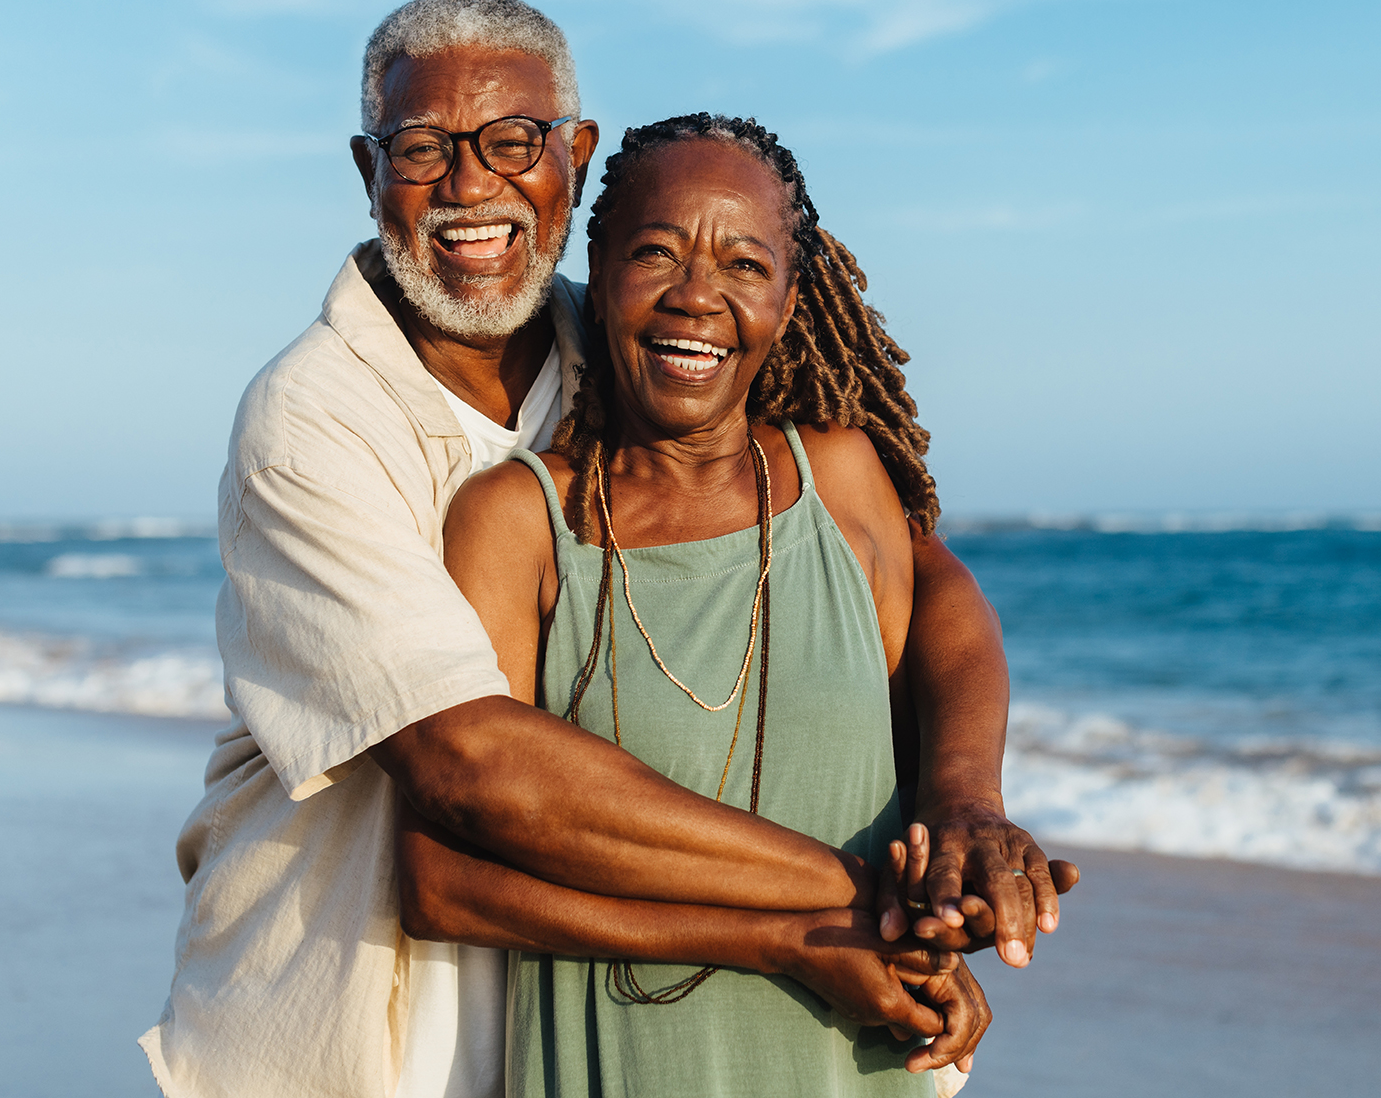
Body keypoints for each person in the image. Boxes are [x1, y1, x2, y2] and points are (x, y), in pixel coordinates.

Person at [141, 0, 1071, 1098]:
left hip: (599, 998)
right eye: (425, 148)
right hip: (355, 1016)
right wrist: (857, 901)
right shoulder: (311, 420)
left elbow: (918, 572)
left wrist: (963, 803)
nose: (472, 186)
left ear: (574, 158)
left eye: (514, 142)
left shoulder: (638, 332)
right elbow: (471, 764)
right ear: (369, 170)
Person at [399, 113, 1034, 1097]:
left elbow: (947, 615)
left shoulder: (840, 479)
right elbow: (441, 884)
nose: (697, 296)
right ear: (598, 266)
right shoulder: (517, 523)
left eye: (745, 264)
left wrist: (965, 822)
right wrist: (783, 941)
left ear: (790, 295)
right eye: (655, 252)